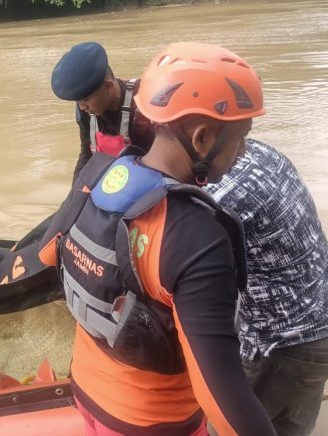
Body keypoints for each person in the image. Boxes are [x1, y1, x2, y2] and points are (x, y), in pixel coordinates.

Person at [40, 42, 276, 435]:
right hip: (151, 420)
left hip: (85, 388)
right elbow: (221, 397)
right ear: (201, 139)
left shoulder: (94, 176)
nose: (242, 151)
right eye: (240, 138)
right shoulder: (197, 237)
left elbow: (49, 253)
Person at [205, 139, 328, 436]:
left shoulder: (220, 194)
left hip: (288, 346)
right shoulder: (261, 151)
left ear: (200, 136)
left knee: (225, 429)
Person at [51, 42, 155, 181]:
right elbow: (87, 153)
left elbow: (159, 165)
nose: (82, 107)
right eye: (77, 101)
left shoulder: (144, 105)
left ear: (108, 86)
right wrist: (75, 195)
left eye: (85, 100)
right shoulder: (86, 110)